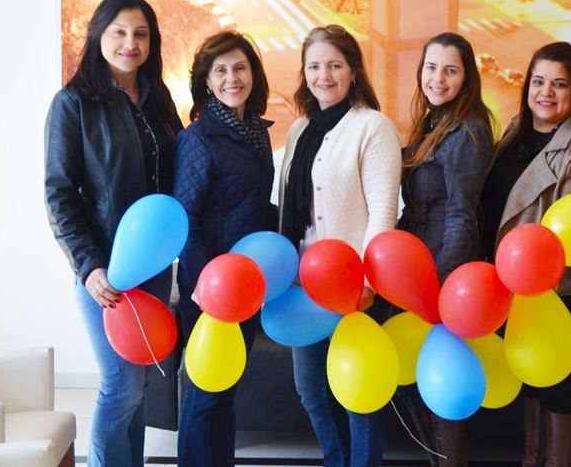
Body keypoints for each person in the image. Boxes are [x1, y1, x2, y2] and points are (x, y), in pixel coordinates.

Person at [44, 0, 182, 466]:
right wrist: (89, 266)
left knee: (139, 381)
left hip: (155, 267)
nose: (130, 43)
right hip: (106, 269)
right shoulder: (72, 103)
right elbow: (60, 194)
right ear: (99, 35)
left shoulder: (159, 99)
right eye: (120, 32)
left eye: (141, 33)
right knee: (120, 383)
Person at [279, 24, 402, 467]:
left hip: (354, 286)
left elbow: (383, 209)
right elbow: (288, 210)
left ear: (353, 71)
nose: (323, 75)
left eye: (334, 65)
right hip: (302, 283)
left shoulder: (373, 127)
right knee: (310, 388)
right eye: (314, 66)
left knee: (358, 392)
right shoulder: (299, 130)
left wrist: (366, 281)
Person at [481, 42, 571, 467]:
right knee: (533, 381)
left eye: (559, 84)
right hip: (514, 287)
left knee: (558, 387)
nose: (545, 92)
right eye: (538, 82)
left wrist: (531, 279)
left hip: (560, 291)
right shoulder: (515, 132)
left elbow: (570, 238)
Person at [172, 32, 277, 466]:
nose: (232, 78)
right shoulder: (200, 138)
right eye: (221, 71)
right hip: (209, 290)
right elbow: (185, 219)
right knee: (200, 399)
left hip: (248, 284)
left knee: (227, 394)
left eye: (240, 68)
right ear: (207, 82)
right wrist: (203, 284)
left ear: (253, 74)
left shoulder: (256, 132)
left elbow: (253, 205)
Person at [396, 32, 495, 467]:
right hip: (414, 260)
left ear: (466, 77)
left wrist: (443, 290)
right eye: (431, 68)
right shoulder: (432, 121)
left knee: (442, 380)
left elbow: (462, 214)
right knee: (412, 376)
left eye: (450, 70)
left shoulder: (468, 130)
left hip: (441, 265)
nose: (438, 78)